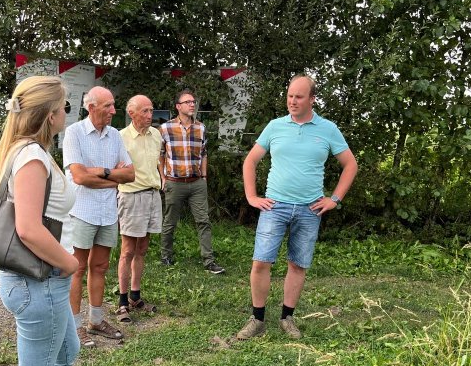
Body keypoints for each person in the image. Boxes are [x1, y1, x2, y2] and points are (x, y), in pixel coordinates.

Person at [0, 76, 89, 366]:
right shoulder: (30, 157)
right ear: (50, 115)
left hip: (44, 280)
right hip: (38, 280)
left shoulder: (28, 151)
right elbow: (28, 227)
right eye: (64, 107)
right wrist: (70, 263)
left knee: (66, 350)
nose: (67, 113)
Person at [237, 75, 358, 340]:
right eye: (290, 95)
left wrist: (334, 199)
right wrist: (251, 196)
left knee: (298, 265)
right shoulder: (275, 126)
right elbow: (250, 161)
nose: (292, 101)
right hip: (275, 206)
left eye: (299, 97)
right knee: (260, 262)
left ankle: (287, 318)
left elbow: (350, 165)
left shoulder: (327, 129)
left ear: (312, 99)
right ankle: (257, 319)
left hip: (310, 209)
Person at [62, 86, 134, 348]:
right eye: (108, 106)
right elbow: (79, 177)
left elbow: (130, 174)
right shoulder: (74, 133)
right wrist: (110, 175)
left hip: (107, 212)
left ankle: (96, 320)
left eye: (114, 105)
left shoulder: (115, 135)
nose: (114, 111)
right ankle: (74, 326)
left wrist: (98, 175)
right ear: (91, 107)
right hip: (81, 210)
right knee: (76, 268)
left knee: (100, 266)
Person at [158, 89, 225, 274]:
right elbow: (160, 155)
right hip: (174, 182)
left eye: (193, 101)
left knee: (204, 221)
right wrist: (163, 178)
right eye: (188, 102)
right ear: (178, 106)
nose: (192, 104)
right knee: (170, 221)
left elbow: (204, 153)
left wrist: (203, 177)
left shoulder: (201, 127)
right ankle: (166, 256)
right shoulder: (165, 128)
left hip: (197, 183)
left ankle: (209, 261)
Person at [114, 95, 161, 323]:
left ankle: (135, 296)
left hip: (153, 195)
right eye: (145, 111)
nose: (150, 115)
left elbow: (158, 162)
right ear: (131, 113)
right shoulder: (120, 137)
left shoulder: (156, 135)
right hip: (131, 196)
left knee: (142, 248)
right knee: (127, 250)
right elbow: (115, 168)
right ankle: (122, 302)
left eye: (151, 110)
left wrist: (163, 180)